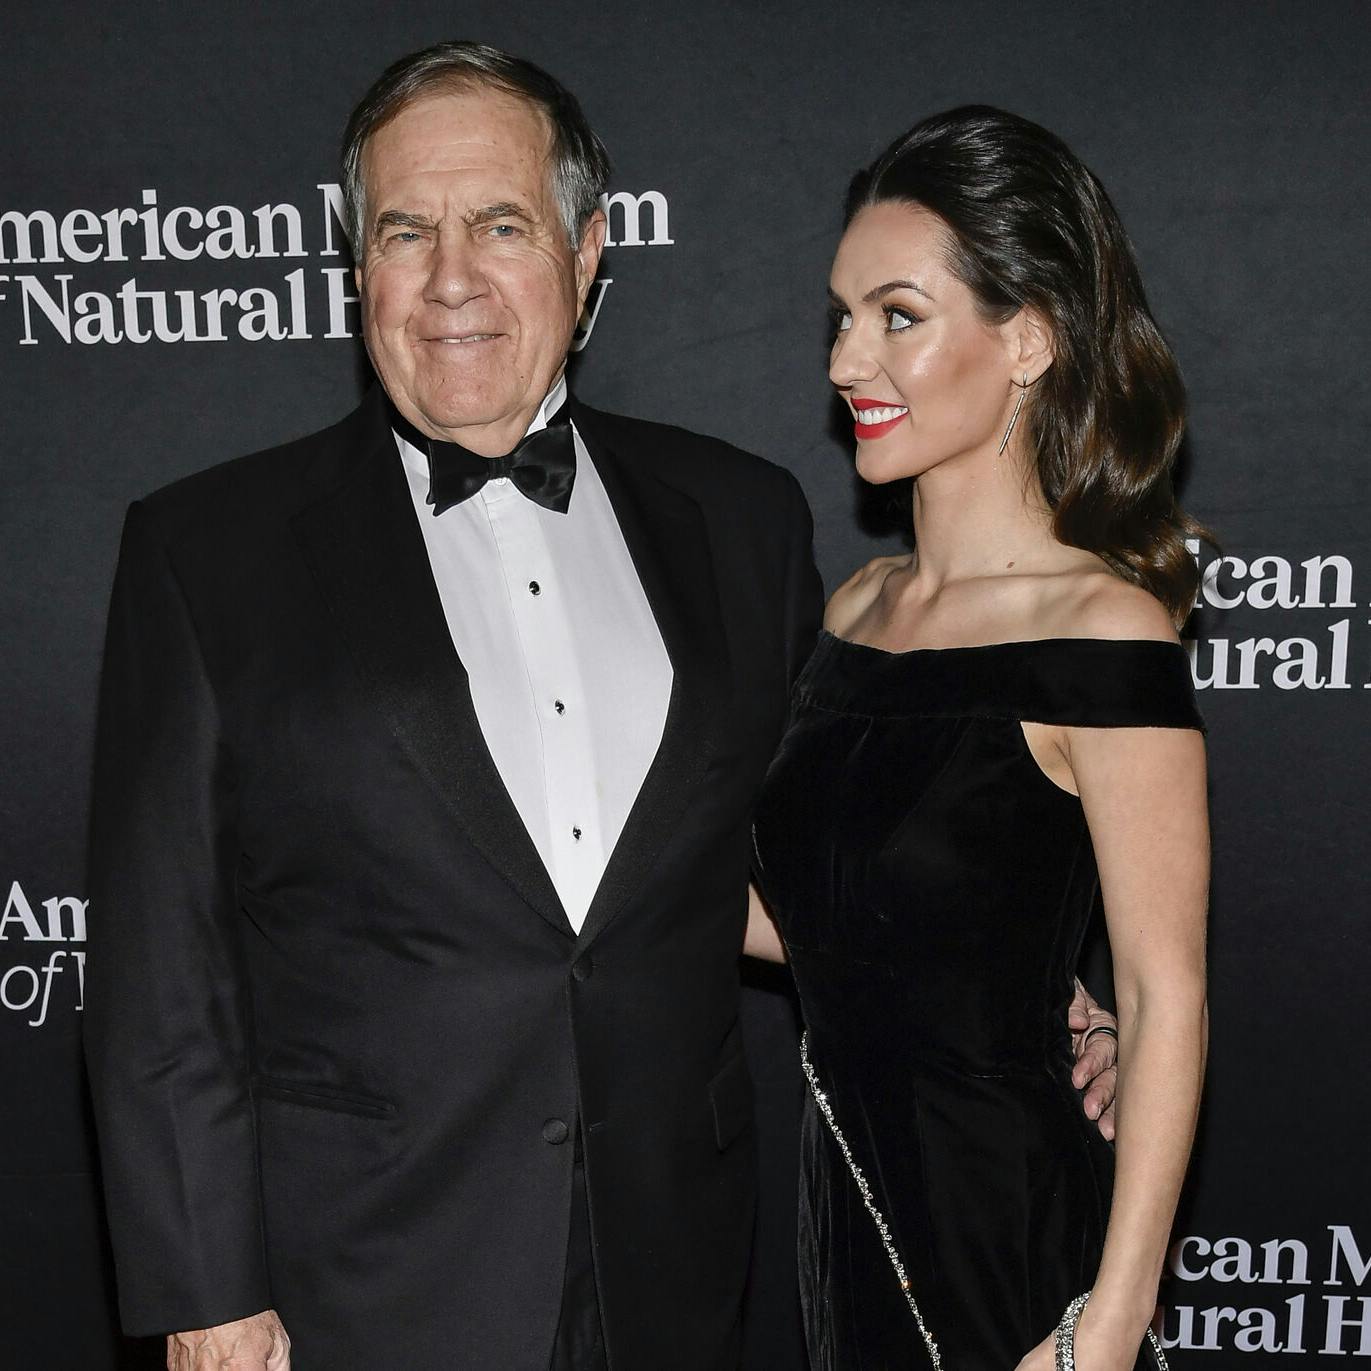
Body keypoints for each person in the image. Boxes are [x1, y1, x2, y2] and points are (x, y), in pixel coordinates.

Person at [83, 45, 1120, 1370]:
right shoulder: (208, 551)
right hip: (358, 1283)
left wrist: (1029, 990)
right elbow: (158, 973)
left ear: (585, 255)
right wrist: (207, 1297)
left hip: (670, 1264)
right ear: (356, 266)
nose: (449, 277)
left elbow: (822, 851)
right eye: (404, 231)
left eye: (500, 225)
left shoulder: (738, 520)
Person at [748, 107, 1209, 1370]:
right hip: (851, 1211)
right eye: (843, 316)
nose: (848, 360)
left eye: (898, 316)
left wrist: (1105, 1327)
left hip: (1013, 1239)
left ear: (1028, 341)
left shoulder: (1103, 634)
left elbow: (1164, 993)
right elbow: (810, 918)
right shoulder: (857, 610)